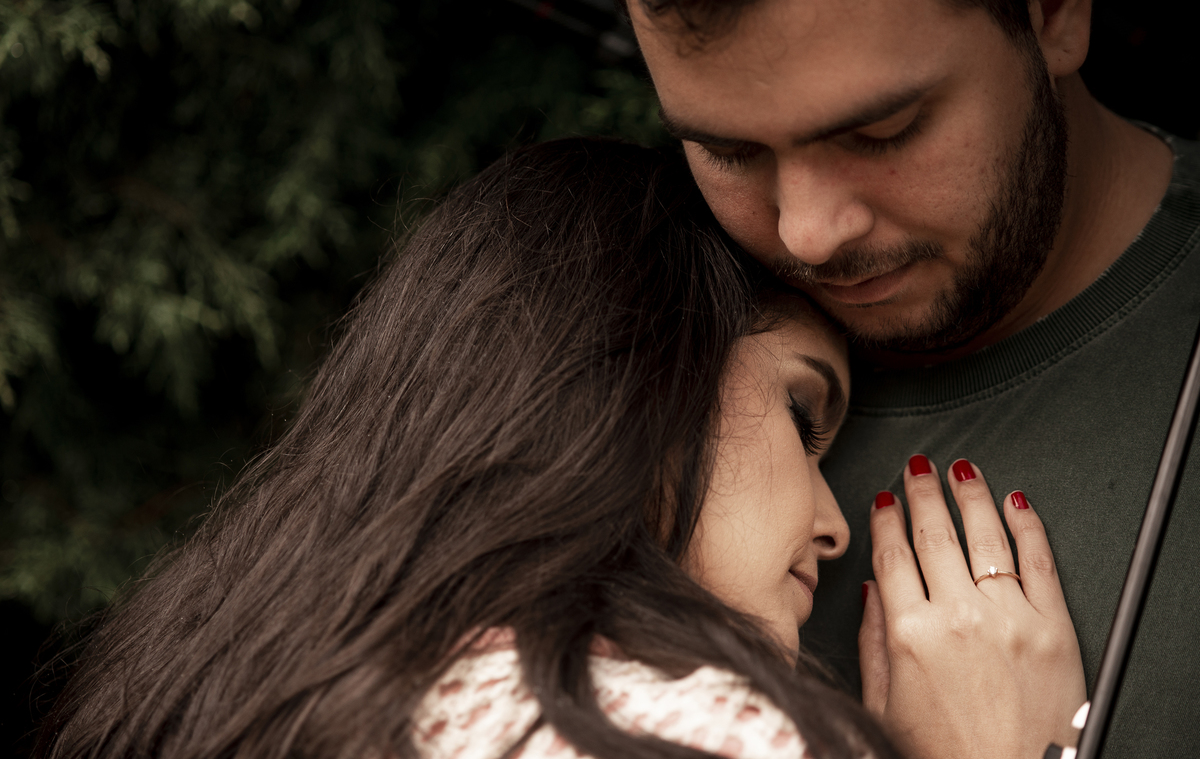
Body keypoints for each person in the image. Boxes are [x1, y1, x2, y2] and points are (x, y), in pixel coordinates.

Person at [35, 139, 1084, 759]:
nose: (831, 520)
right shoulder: (681, 733)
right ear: (640, 369)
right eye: (803, 421)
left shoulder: (223, 691)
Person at [611, 0, 1200, 754]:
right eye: (727, 151)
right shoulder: (619, 334)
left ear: (1052, 0)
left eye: (879, 132)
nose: (806, 233)